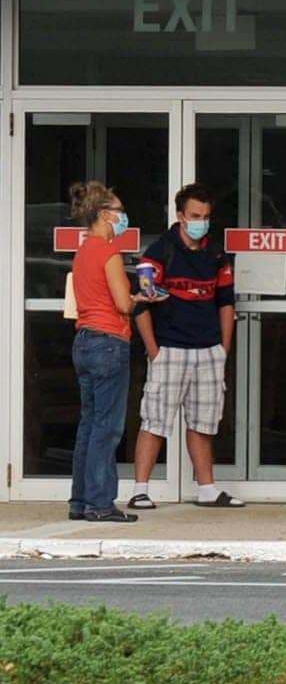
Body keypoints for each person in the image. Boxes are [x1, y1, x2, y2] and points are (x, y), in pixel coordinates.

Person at [126, 183, 240, 510]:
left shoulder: (216, 254)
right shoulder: (160, 251)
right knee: (154, 420)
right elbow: (142, 304)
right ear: (180, 216)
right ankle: (140, 489)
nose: (201, 222)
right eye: (194, 216)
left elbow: (226, 303)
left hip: (207, 351)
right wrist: (154, 351)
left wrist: (223, 349)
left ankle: (207, 489)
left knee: (203, 423)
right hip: (170, 349)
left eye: (205, 216)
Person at [66, 181, 158, 524]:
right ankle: (101, 503)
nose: (123, 217)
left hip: (84, 340)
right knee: (107, 428)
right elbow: (122, 303)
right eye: (119, 211)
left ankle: (80, 500)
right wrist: (143, 298)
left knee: (89, 425)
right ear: (104, 215)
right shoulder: (108, 253)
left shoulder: (83, 250)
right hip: (109, 341)